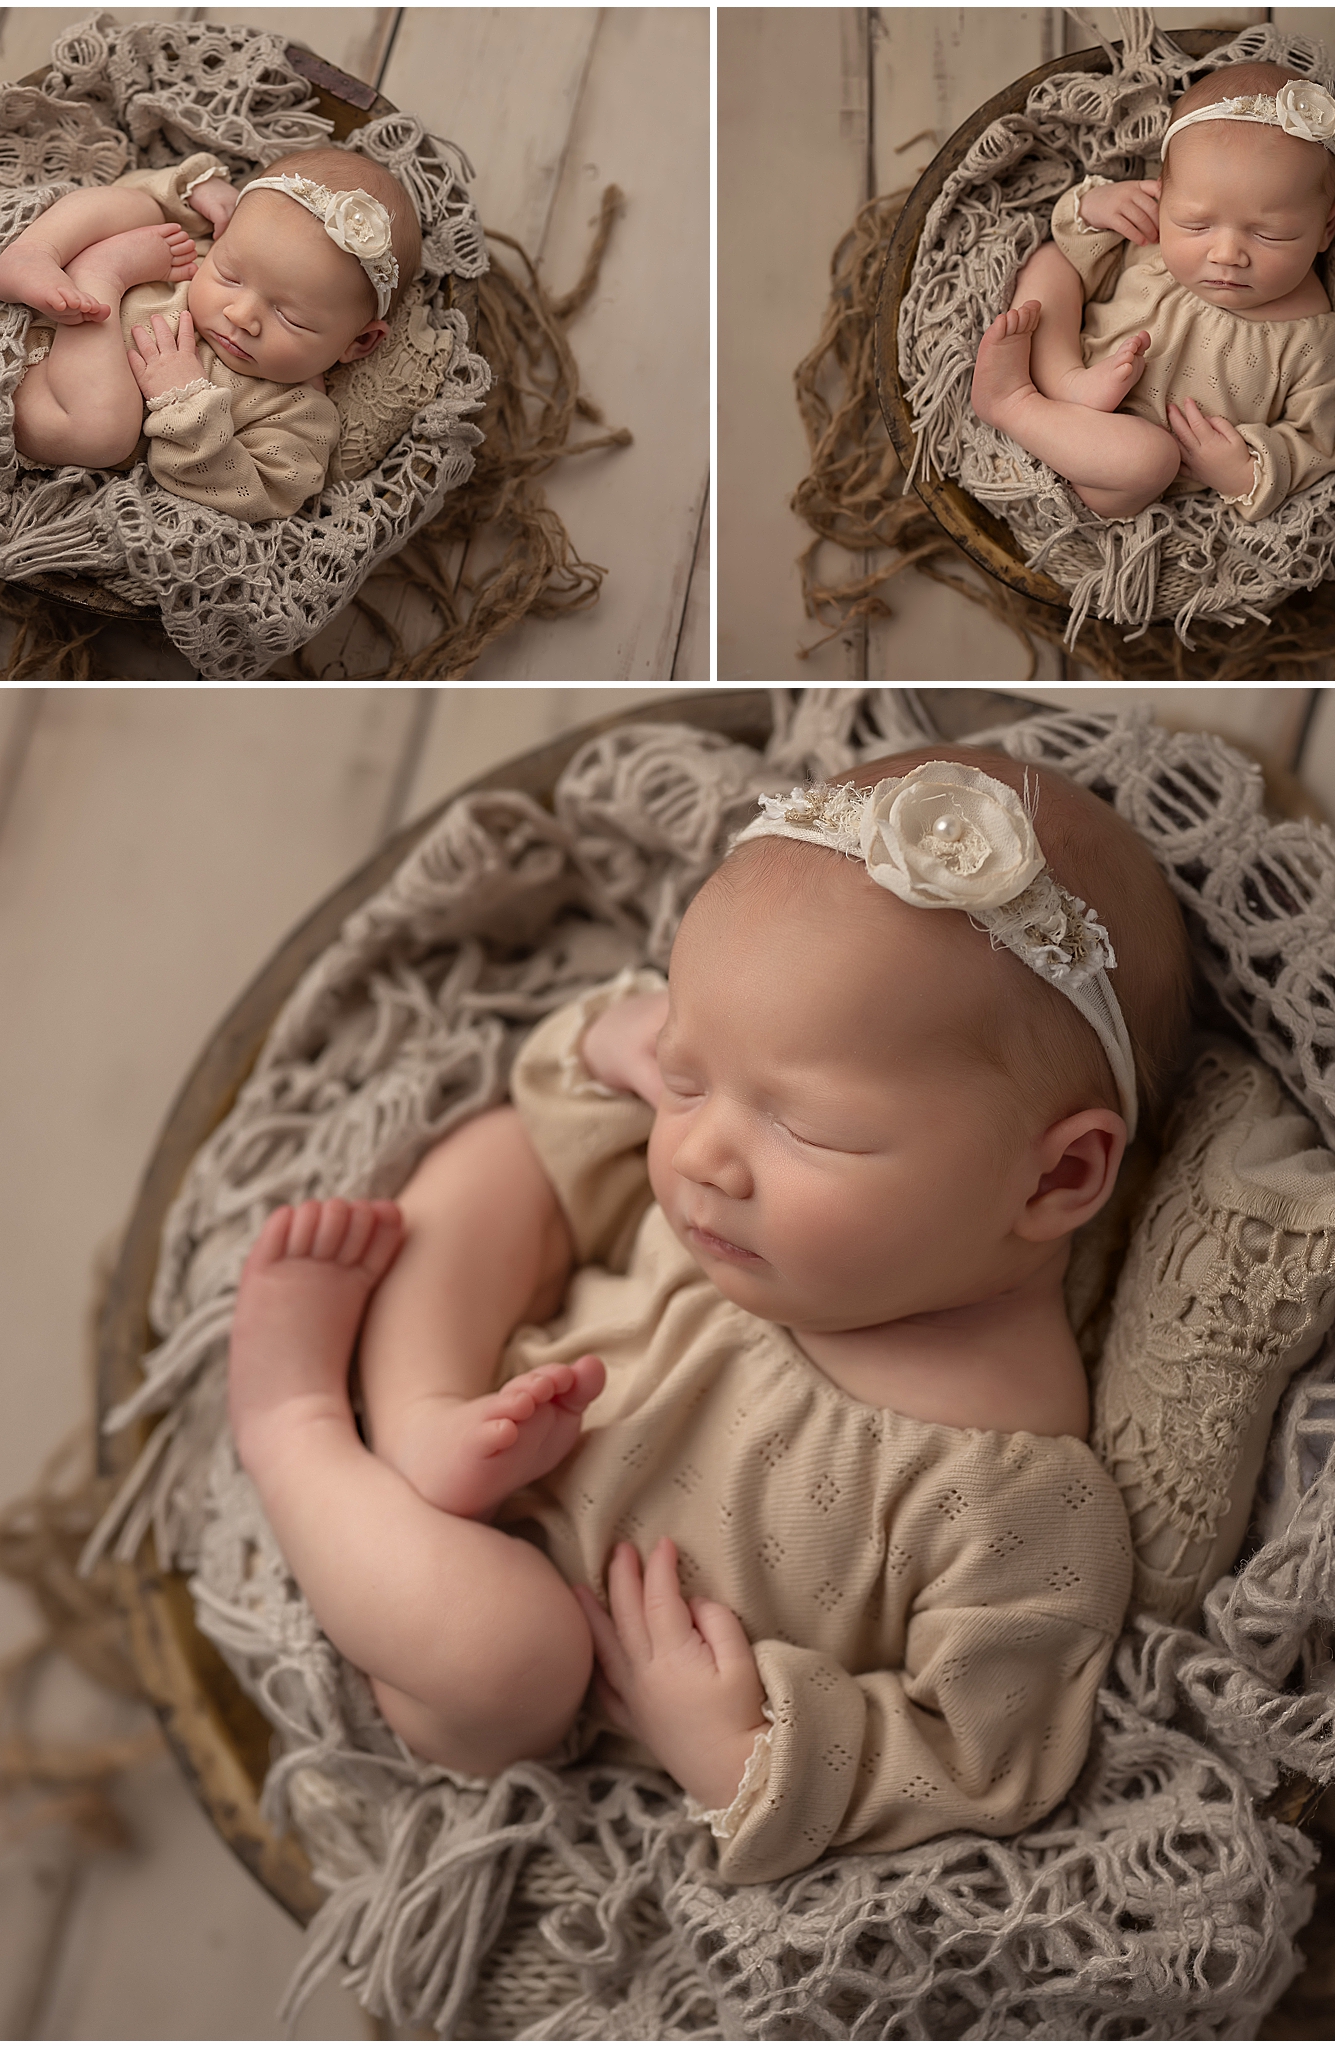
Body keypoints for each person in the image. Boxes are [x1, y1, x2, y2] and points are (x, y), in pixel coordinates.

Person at [226, 748, 1194, 1883]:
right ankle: (416, 1403)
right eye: (690, 1077)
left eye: (809, 1128)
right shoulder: (738, 1224)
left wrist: (735, 1745)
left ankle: (296, 1427)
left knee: (509, 1651)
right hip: (490, 1399)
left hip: (525, 1646)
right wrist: (613, 1048)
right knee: (510, 1157)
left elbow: (989, 1756)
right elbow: (566, 1117)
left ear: (1056, 1180)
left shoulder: (1017, 1494)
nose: (700, 1156)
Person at [969, 62, 1335, 522]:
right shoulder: (1152, 242)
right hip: (1069, 370)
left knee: (1151, 456)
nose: (1226, 254)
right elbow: (1082, 247)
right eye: (1195, 224)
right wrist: (1095, 207)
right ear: (1164, 197)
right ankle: (1064, 381)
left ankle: (1012, 403)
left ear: (1327, 227)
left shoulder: (1320, 342)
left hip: (1115, 467)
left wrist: (1242, 471)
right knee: (1052, 261)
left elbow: (1322, 441)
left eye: (1270, 236)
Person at [0, 144, 421, 519]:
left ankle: (98, 273)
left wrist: (184, 400)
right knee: (139, 207)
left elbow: (255, 494)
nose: (241, 314)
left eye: (291, 318)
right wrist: (191, 190)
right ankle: (34, 252)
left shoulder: (296, 414)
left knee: (105, 434)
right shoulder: (201, 250)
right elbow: (135, 182)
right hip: (27, 313)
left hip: (37, 398)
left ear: (359, 342)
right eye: (230, 276)